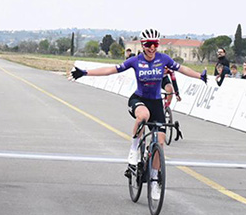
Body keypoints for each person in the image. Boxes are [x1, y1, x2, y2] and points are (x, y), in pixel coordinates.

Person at [69, 29, 206, 201]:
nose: (152, 48)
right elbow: (111, 70)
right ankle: (133, 150)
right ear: (142, 45)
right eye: (149, 44)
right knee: (143, 116)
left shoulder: (163, 59)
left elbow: (182, 69)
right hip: (139, 99)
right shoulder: (135, 60)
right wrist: (86, 73)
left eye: (155, 44)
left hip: (156, 102)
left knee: (160, 144)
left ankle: (155, 180)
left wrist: (200, 76)